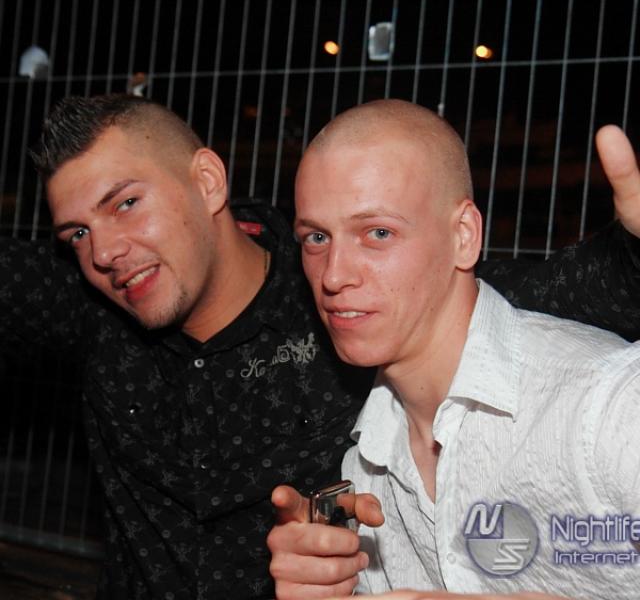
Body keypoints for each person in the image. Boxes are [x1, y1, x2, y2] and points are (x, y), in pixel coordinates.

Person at [0, 94, 638, 599]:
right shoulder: (374, 450)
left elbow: (543, 304)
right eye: (77, 232)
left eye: (127, 204)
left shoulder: (350, 316)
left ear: (208, 181)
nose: (105, 250)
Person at [267, 100, 640, 600]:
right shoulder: (367, 466)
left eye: (378, 233)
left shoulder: (606, 404)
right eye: (316, 237)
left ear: (464, 236)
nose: (333, 275)